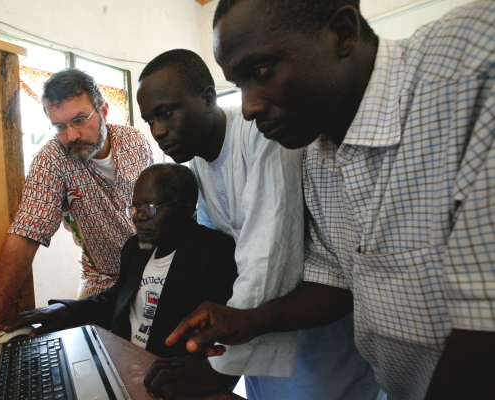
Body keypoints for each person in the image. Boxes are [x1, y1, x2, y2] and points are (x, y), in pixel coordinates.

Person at [167, 1, 495, 399]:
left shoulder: (471, 59)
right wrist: (249, 319)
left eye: (261, 72)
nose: (249, 107)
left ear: (342, 33)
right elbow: (337, 279)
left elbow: (484, 323)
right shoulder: (319, 151)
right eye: (240, 85)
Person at [137, 49, 379, 399]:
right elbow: (220, 256)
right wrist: (204, 344)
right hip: (249, 325)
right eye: (149, 120)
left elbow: (266, 257)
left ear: (207, 98)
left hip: (311, 329)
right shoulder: (199, 165)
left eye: (166, 112)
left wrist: (220, 367)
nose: (158, 131)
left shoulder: (261, 135)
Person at [0, 163, 240, 397]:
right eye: (135, 207)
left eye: (151, 207)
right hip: (123, 359)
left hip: (167, 376)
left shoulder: (215, 253)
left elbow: (228, 332)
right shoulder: (135, 249)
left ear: (187, 207)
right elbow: (116, 299)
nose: (138, 217)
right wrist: (64, 310)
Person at [0, 68, 153, 335]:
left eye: (79, 120)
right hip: (102, 280)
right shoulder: (51, 160)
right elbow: (26, 232)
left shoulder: (134, 140)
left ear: (103, 111)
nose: (71, 136)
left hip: (152, 268)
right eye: (59, 126)